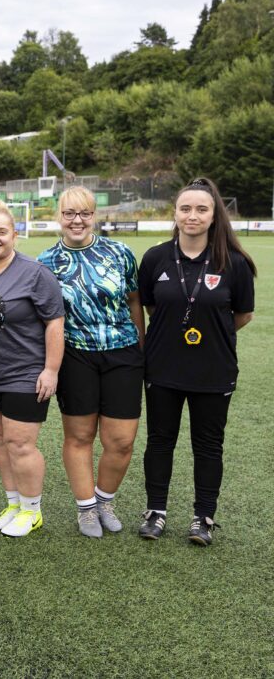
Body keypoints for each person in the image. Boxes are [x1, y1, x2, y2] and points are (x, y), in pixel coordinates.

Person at [137, 177, 256, 546]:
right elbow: (151, 307)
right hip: (163, 367)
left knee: (208, 447)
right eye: (185, 208)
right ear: (175, 213)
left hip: (213, 370)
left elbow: (242, 315)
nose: (192, 215)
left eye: (201, 209)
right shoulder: (156, 257)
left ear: (213, 215)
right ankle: (156, 512)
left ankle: (203, 518)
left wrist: (210, 332)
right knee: (160, 441)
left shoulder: (234, 263)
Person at [38, 186, 144, 538]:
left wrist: (140, 350)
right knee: (80, 436)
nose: (77, 220)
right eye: (69, 213)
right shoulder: (45, 263)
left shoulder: (120, 252)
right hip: (75, 356)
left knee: (121, 441)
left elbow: (133, 302)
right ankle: (85, 509)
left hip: (123, 352)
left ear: (94, 215)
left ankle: (104, 500)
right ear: (59, 216)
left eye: (84, 213)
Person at [0, 201, 65, 537]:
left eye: (2, 232)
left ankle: (32, 511)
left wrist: (51, 370)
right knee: (0, 441)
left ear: (14, 235)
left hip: (25, 373)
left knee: (21, 444)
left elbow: (54, 323)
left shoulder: (35, 273)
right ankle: (14, 503)